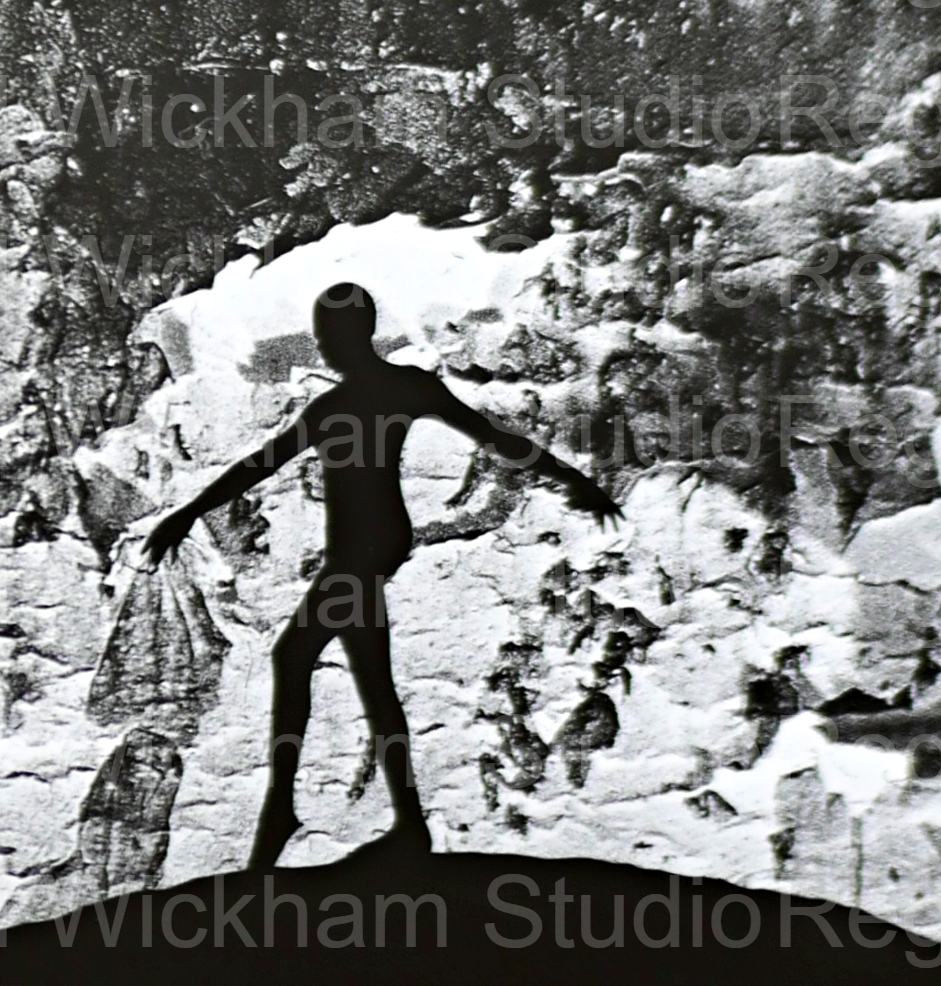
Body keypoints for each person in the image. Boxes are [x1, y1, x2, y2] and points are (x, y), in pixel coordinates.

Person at [140, 283, 621, 869]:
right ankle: (405, 823)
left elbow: (496, 438)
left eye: (328, 336)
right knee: (370, 677)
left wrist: (578, 482)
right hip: (372, 543)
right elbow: (256, 465)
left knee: (296, 658)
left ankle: (284, 810)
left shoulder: (352, 402)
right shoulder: (386, 392)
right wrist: (184, 514)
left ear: (350, 334)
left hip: (362, 551)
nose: (323, 347)